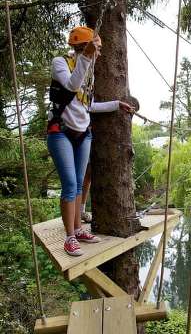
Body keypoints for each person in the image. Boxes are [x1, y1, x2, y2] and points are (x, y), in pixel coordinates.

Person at [47, 26, 133, 256]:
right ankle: (69, 238)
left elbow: (86, 105)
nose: (99, 53)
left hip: (83, 134)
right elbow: (71, 86)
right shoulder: (61, 63)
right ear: (85, 46)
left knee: (77, 183)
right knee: (69, 185)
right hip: (60, 132)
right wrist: (85, 56)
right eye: (98, 48)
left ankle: (77, 228)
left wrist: (115, 105)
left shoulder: (88, 70)